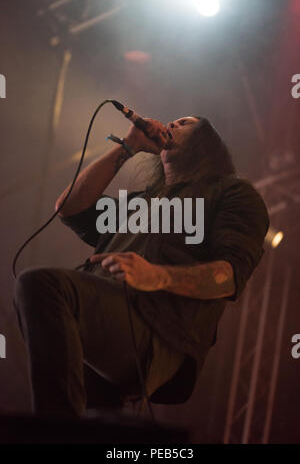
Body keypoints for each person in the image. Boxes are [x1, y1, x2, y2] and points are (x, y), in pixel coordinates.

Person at [14, 115, 269, 418]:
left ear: (207, 143)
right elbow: (69, 207)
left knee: (42, 285)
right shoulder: (139, 202)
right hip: (102, 323)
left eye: (185, 122)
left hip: (159, 331)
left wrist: (157, 276)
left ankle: (55, 434)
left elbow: (229, 276)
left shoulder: (231, 193)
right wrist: (129, 145)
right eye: (172, 120)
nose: (171, 124)